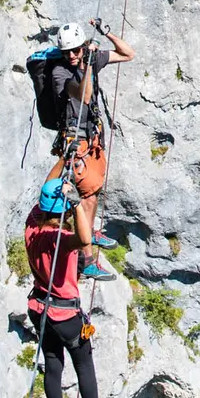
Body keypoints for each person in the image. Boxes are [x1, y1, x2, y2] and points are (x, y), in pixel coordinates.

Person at [25, 168, 113, 398]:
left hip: (39, 310)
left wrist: (63, 161)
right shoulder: (58, 239)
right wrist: (76, 204)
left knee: (53, 365)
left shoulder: (31, 228)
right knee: (84, 364)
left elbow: (44, 192)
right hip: (65, 315)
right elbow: (85, 239)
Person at [46, 20, 134, 281]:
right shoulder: (59, 74)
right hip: (76, 142)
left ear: (83, 46)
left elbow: (129, 54)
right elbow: (84, 95)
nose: (71, 56)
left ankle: (90, 234)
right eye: (67, 52)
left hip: (92, 139)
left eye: (75, 50)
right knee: (83, 197)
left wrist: (106, 33)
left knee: (92, 195)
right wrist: (86, 64)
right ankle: (85, 259)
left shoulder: (89, 58)